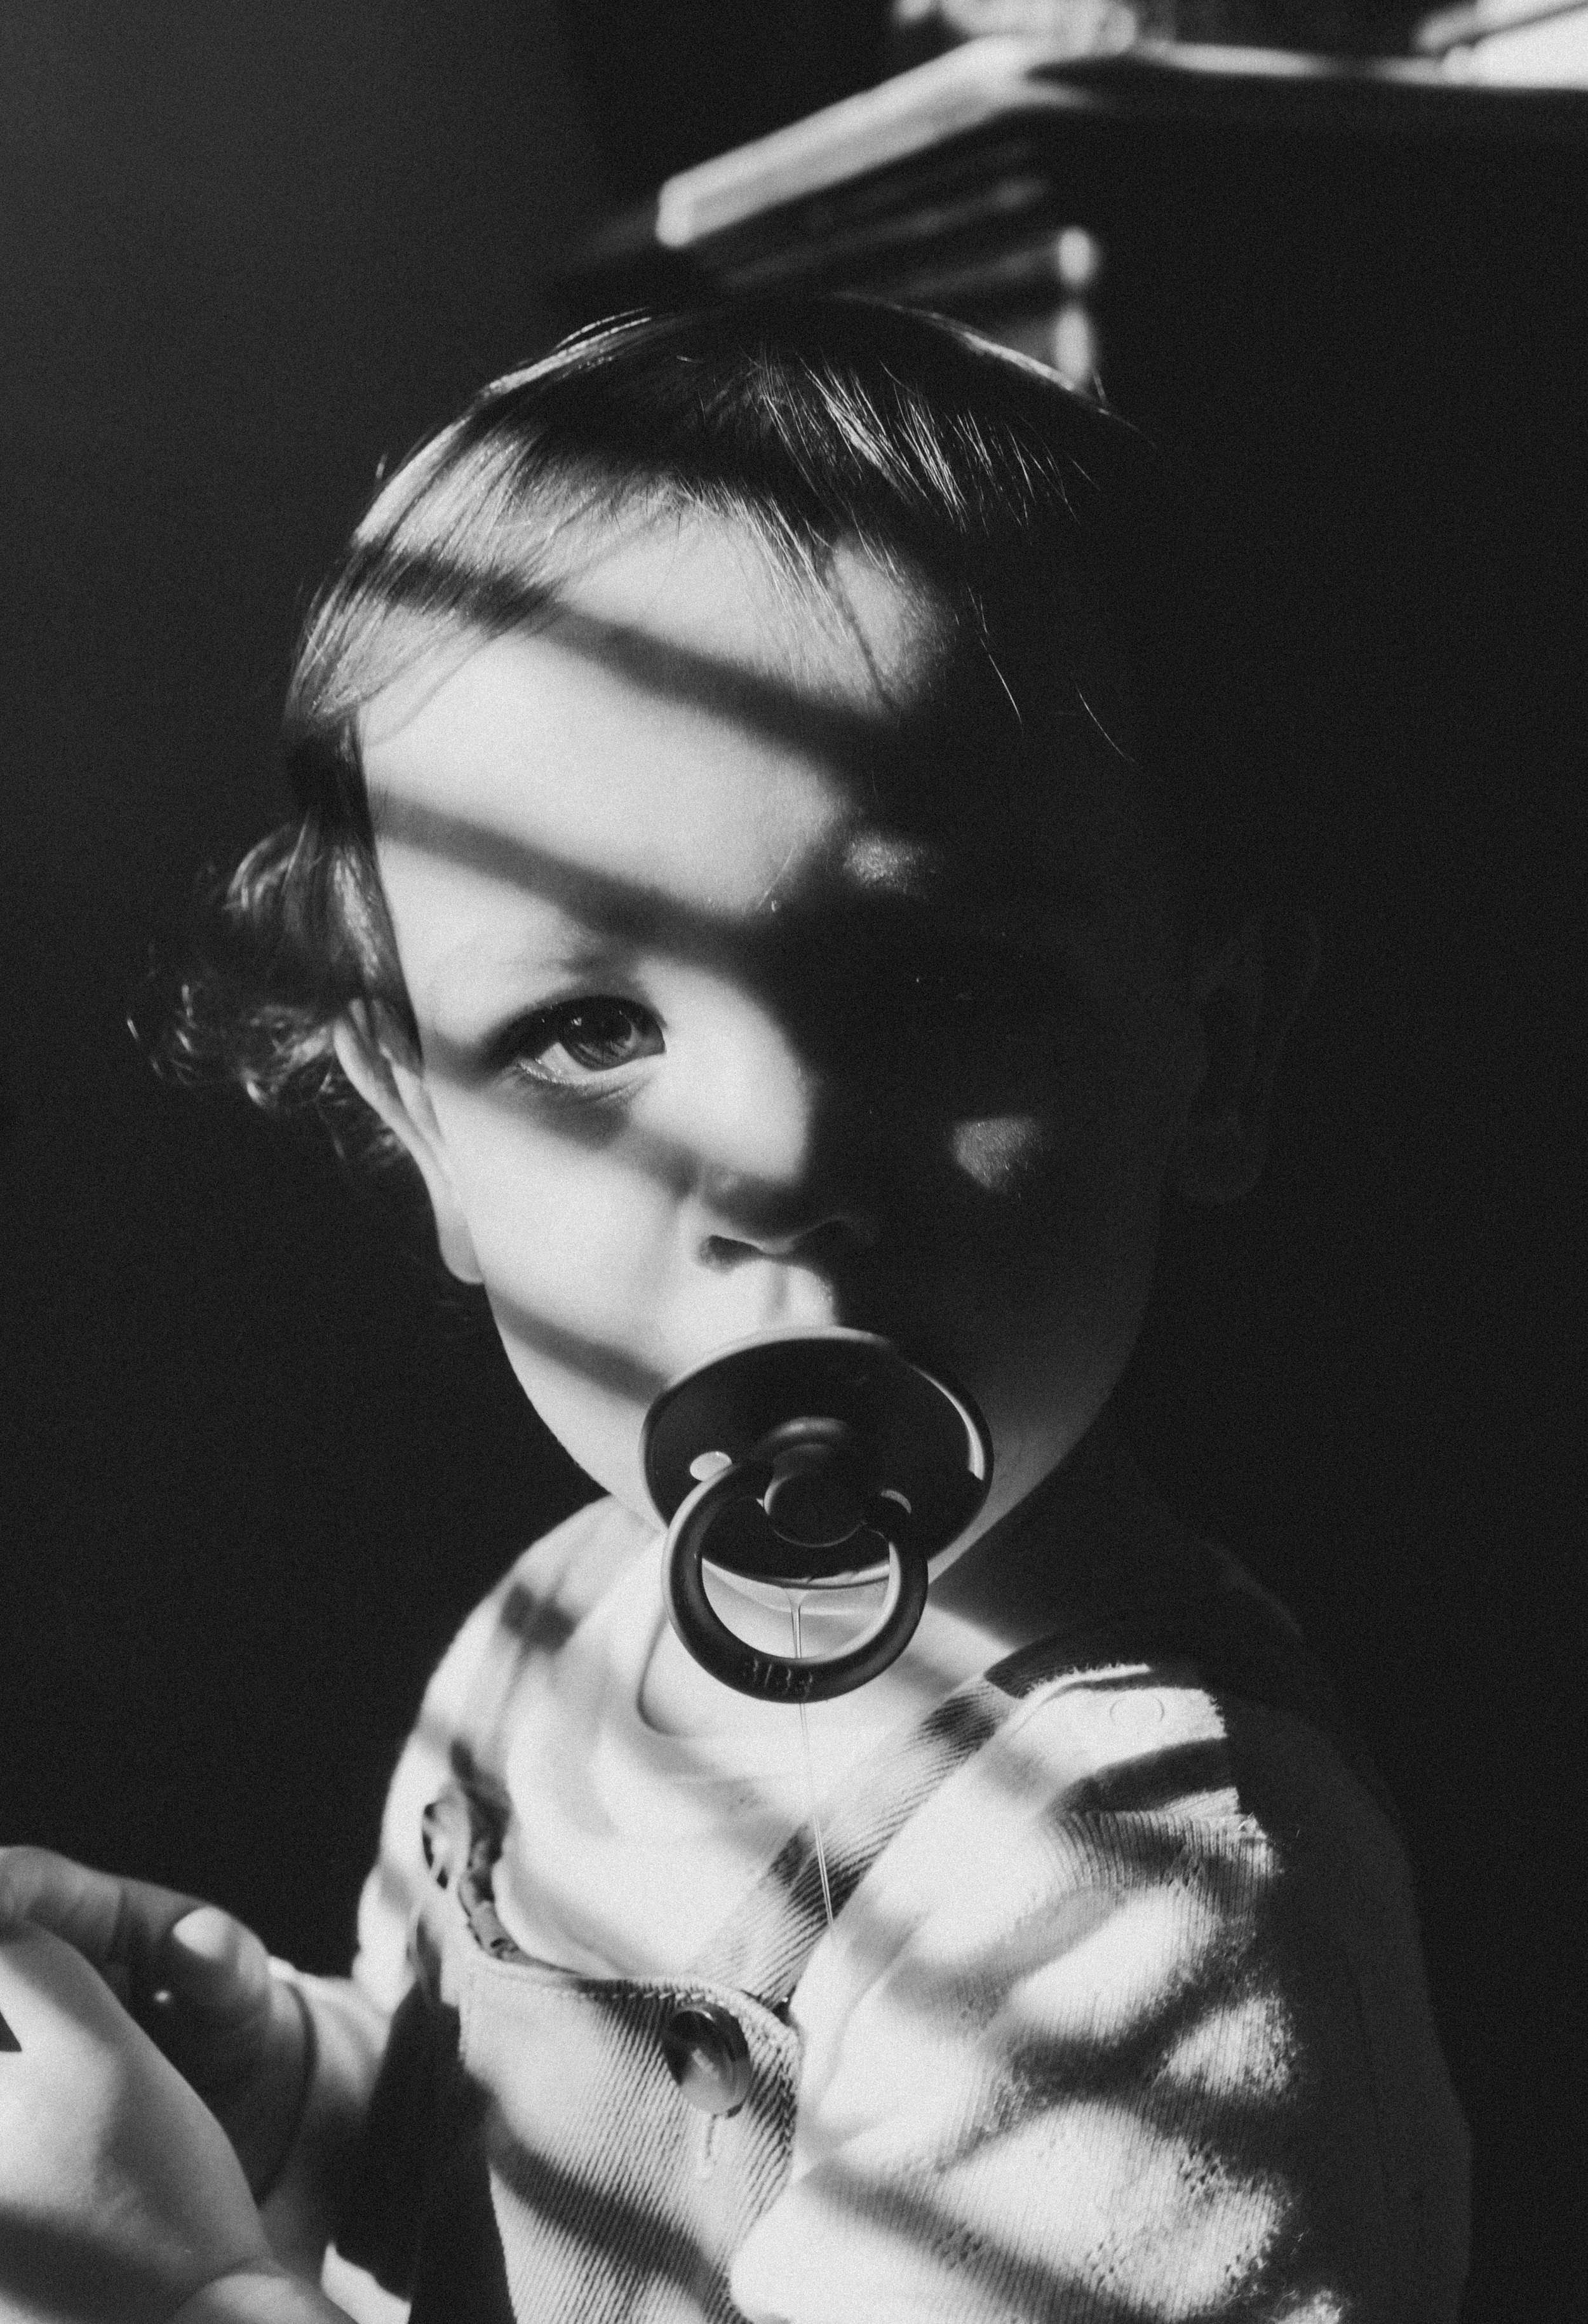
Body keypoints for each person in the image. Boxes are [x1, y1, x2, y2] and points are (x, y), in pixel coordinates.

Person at [0, 299, 1469, 2323]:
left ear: (1205, 1045)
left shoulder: (1143, 1921)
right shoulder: (555, 1631)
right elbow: (534, 2228)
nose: (773, 1154)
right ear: (417, 1128)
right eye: (588, 1028)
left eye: (938, 990)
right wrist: (300, 2107)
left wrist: (167, 2294)